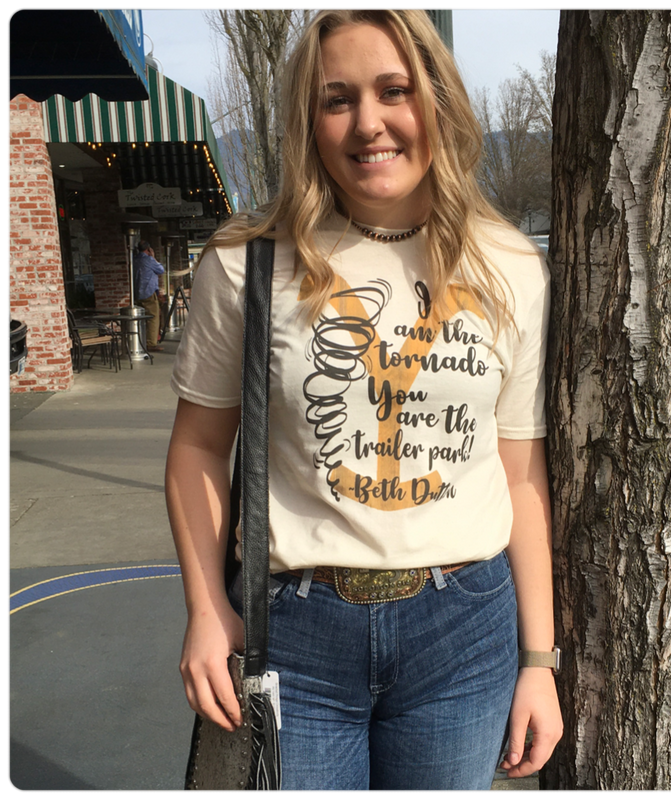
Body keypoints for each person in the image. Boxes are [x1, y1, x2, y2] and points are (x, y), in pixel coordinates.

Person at [166, 7, 562, 793]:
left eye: (394, 90)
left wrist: (540, 661)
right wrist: (208, 611)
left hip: (463, 629)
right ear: (308, 122)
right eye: (336, 98)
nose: (368, 123)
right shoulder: (247, 265)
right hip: (294, 633)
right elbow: (198, 449)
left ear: (437, 104)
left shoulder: (510, 266)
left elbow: (520, 474)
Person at [133, 240, 165, 351]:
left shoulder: (135, 259)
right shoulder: (149, 260)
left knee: (141, 319)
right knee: (153, 318)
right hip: (149, 292)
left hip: (137, 293)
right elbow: (161, 270)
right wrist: (154, 257)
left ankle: (140, 341)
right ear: (148, 250)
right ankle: (151, 343)